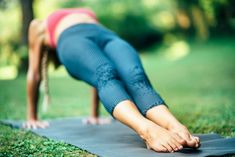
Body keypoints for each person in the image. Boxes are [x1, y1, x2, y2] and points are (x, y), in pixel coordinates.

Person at [24, 7, 200, 153]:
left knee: (136, 76)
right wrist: (32, 117)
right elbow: (34, 72)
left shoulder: (89, 14)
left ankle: (175, 126)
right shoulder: (37, 25)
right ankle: (147, 130)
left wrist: (95, 115)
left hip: (107, 36)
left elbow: (97, 75)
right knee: (105, 73)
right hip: (71, 39)